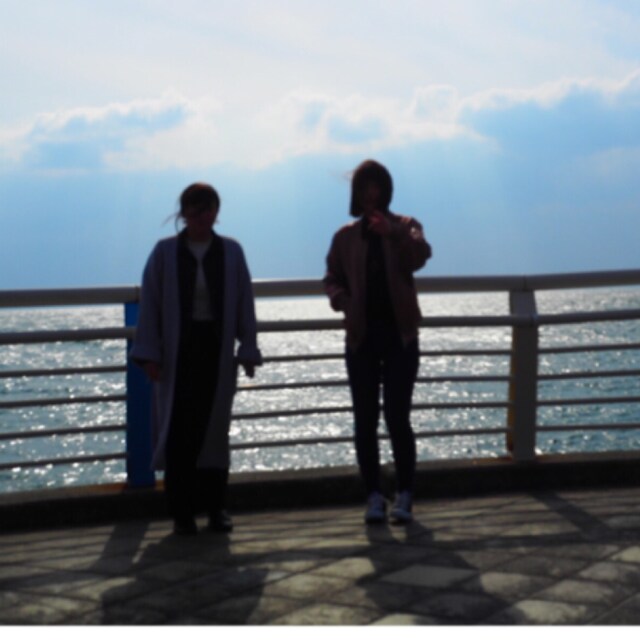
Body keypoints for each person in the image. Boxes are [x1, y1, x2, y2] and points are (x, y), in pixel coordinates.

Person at [130, 182, 262, 535]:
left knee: (214, 432)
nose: (202, 216)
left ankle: (216, 508)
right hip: (177, 355)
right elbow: (151, 305)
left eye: (208, 209)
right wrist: (150, 354)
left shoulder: (231, 252)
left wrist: (248, 347)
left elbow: (244, 302)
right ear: (184, 212)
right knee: (179, 433)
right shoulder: (164, 253)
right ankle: (182, 513)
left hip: (216, 352)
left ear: (217, 212)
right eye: (195, 209)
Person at [323, 160, 432, 525]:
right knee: (365, 419)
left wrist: (393, 233)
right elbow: (331, 277)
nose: (371, 194)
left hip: (401, 336)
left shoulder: (406, 225)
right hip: (361, 339)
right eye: (365, 187)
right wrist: (342, 300)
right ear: (357, 193)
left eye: (377, 187)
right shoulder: (345, 237)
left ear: (387, 190)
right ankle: (373, 494)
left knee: (398, 417)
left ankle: (405, 493)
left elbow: (420, 255)